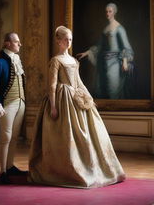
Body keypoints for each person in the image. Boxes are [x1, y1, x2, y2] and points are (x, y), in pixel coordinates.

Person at [28, 26, 125, 188]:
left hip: (74, 98)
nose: (68, 42)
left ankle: (92, 168)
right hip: (61, 99)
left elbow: (78, 82)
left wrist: (88, 97)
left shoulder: (73, 61)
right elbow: (52, 85)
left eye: (70, 39)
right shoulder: (55, 60)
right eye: (65, 39)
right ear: (58, 41)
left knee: (91, 132)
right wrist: (53, 106)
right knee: (65, 136)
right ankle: (64, 170)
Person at [0, 32, 27, 184]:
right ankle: (2, 171)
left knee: (15, 137)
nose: (19, 44)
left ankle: (10, 166)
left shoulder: (17, 60)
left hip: (21, 103)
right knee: (6, 137)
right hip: (7, 104)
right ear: (7, 43)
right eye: (16, 41)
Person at [77, 3, 134, 99]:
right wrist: (87, 52)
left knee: (113, 89)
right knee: (103, 89)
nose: (107, 13)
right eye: (106, 11)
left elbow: (126, 47)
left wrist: (124, 61)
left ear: (114, 12)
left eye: (110, 11)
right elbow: (99, 46)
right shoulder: (105, 29)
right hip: (104, 63)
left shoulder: (119, 28)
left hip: (115, 63)